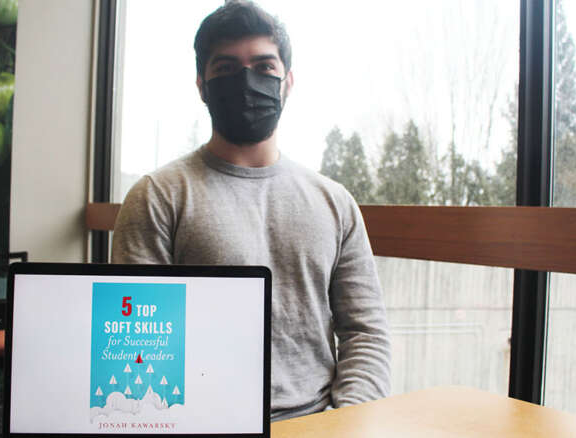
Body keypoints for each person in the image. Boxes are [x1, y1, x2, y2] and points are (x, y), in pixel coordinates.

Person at [111, 0, 391, 422]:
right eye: (225, 69)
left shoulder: (335, 202)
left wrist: (342, 424)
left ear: (288, 81)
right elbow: (138, 344)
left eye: (264, 67)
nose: (246, 81)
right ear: (202, 85)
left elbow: (365, 335)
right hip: (201, 423)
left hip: (320, 422)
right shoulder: (157, 196)